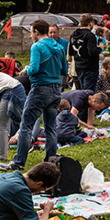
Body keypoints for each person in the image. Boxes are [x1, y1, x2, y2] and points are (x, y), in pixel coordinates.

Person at [13, 19, 67, 170]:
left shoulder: (37, 47)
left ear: (36, 31)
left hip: (40, 89)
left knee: (26, 126)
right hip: (56, 90)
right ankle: (50, 161)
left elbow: (34, 69)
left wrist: (26, 71)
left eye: (31, 32)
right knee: (51, 127)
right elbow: (64, 70)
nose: (31, 35)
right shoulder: (59, 47)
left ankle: (19, 162)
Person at [69, 14, 102, 91]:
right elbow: (92, 52)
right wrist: (99, 49)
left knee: (81, 91)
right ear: (90, 23)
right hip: (90, 68)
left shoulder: (73, 35)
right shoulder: (89, 35)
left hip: (78, 67)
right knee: (88, 92)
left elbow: (71, 52)